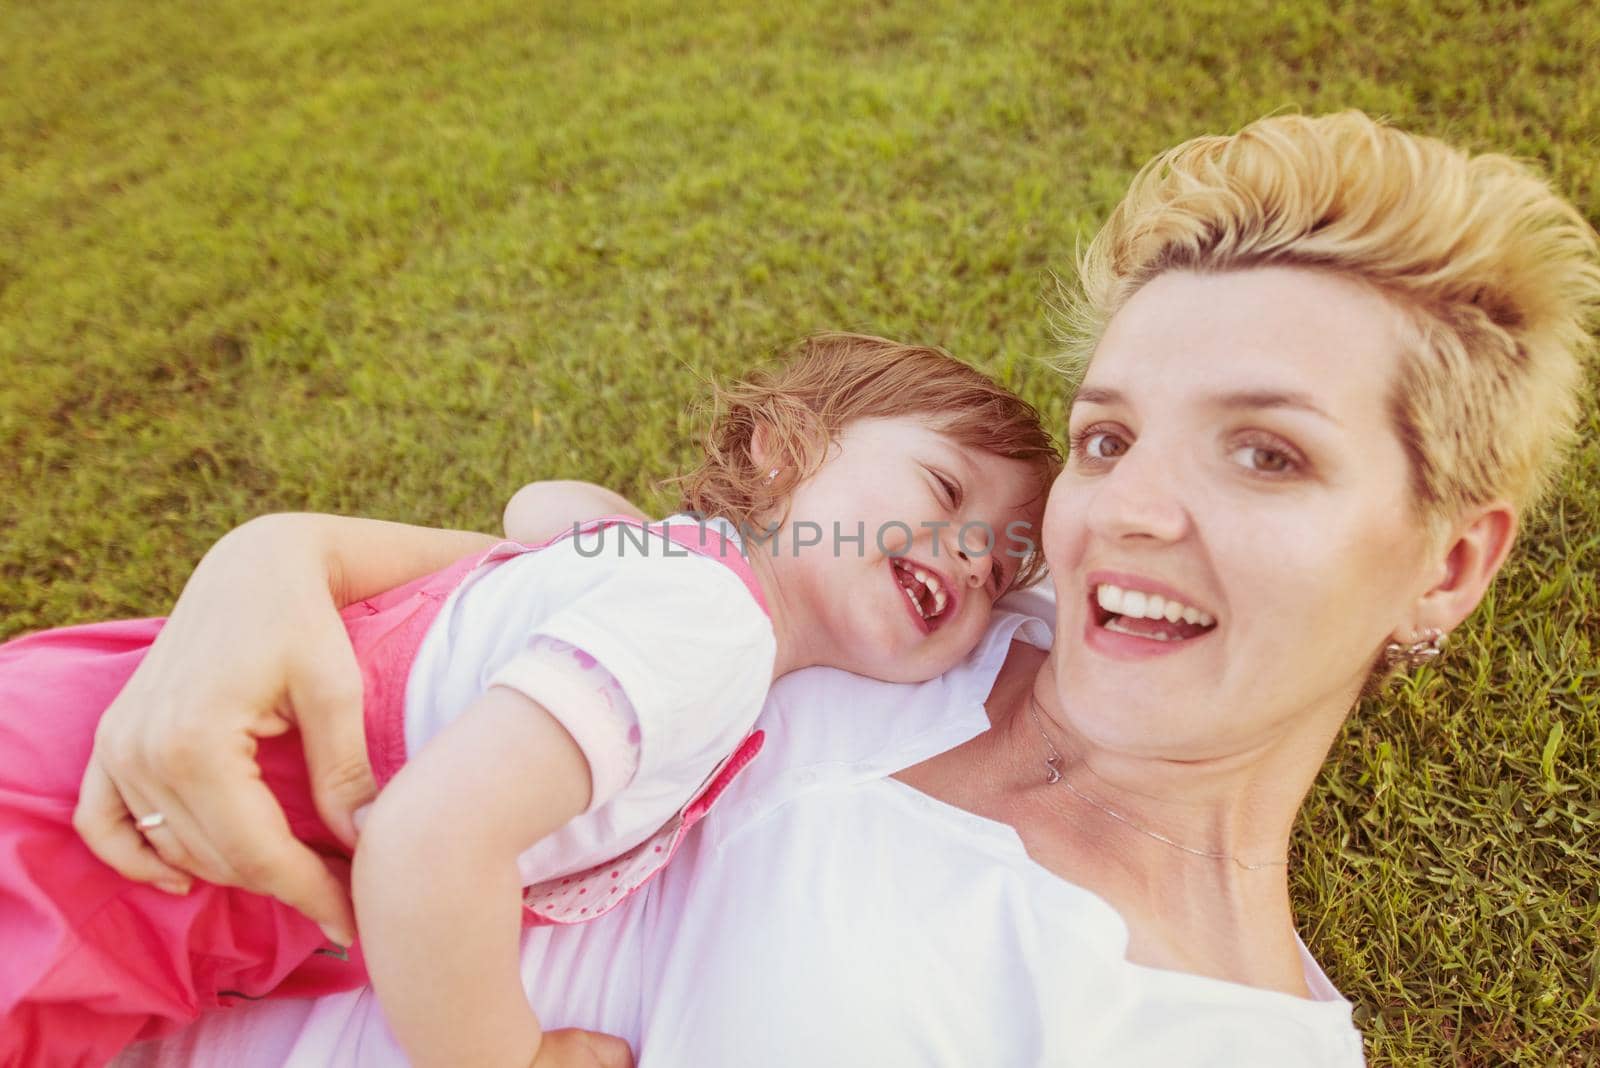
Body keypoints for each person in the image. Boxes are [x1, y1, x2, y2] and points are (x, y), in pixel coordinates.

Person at [95, 110, 1599, 1066]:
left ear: (1449, 564)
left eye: (1267, 455)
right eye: (1107, 437)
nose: (1126, 511)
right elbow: (545, 571)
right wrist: (264, 562)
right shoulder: (881, 622)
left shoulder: (1201, 1037)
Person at [0, 334, 1061, 1067]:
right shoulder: (708, 631)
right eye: (943, 491)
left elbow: (538, 509)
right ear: (776, 452)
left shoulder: (666, 574)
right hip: (102, 857)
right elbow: (424, 843)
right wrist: (509, 1054)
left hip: (97, 747)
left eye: (1009, 568)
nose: (976, 559)